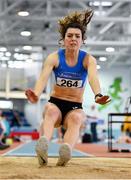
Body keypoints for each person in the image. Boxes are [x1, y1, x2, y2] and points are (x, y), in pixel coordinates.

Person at [25, 9, 111, 166]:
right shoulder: (55, 57)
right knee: (49, 111)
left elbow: (93, 77)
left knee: (78, 118)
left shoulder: (88, 59)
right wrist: (36, 93)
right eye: (69, 36)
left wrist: (98, 95)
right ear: (63, 39)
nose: (73, 39)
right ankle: (43, 144)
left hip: (74, 106)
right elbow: (43, 77)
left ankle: (66, 150)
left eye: (77, 36)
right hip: (56, 102)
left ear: (82, 40)